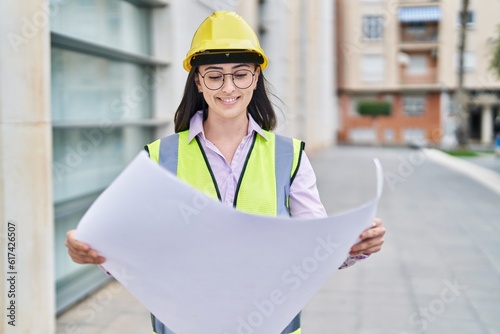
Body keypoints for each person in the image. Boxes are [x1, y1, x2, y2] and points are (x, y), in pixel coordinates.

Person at [65, 10, 386, 334]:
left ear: (256, 78)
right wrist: (92, 250)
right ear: (198, 81)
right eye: (215, 75)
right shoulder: (159, 157)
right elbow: (131, 247)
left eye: (240, 74)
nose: (228, 87)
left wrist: (352, 247)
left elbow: (314, 245)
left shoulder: (289, 156)